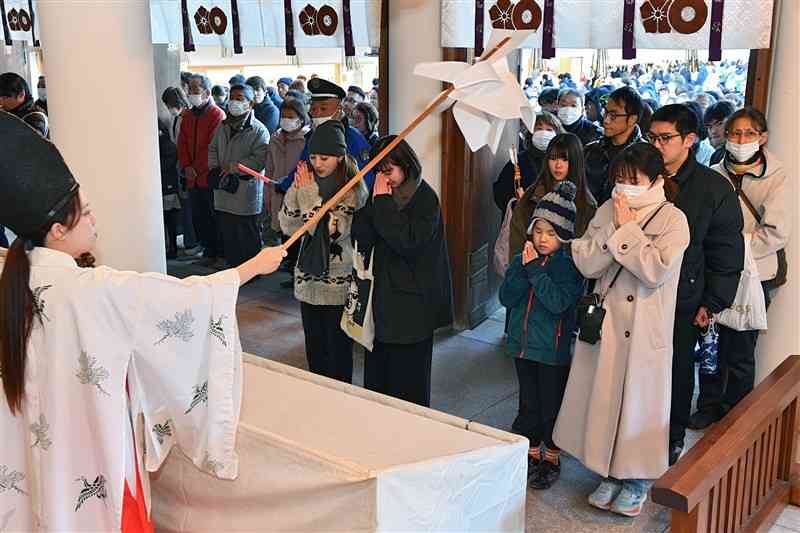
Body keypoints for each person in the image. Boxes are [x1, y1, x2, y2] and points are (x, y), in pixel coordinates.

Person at [0, 110, 286, 532]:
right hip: (93, 452)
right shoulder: (89, 289)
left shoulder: (17, 281)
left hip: (37, 450)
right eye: (87, 212)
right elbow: (181, 300)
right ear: (59, 230)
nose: (95, 220)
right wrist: (253, 268)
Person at [554, 143, 690, 517]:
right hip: (608, 324)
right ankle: (609, 471)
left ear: (656, 180)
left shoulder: (673, 219)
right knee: (606, 397)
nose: (624, 187)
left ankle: (638, 479)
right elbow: (585, 260)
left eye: (634, 180)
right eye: (619, 178)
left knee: (639, 405)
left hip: (646, 330)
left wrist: (626, 229)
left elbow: (655, 271)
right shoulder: (607, 208)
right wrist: (612, 230)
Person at [647, 104, 744, 464]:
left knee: (675, 372)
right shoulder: (641, 175)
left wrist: (712, 302)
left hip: (683, 298)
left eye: (665, 138)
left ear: (689, 139)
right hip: (640, 293)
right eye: (652, 137)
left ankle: (670, 438)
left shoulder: (712, 187)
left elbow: (725, 251)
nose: (656, 145)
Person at [691, 107, 789, 430]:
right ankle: (707, 405)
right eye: (735, 133)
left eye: (749, 133)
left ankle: (735, 414)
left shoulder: (776, 176)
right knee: (710, 339)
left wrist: (736, 249)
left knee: (741, 348)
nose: (741, 139)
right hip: (716, 272)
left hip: (753, 273)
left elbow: (776, 231)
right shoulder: (714, 171)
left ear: (762, 137)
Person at [351, 137, 453, 407]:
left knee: (408, 382)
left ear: (406, 166)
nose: (385, 178)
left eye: (389, 171)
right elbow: (361, 236)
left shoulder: (424, 198)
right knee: (378, 379)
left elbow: (407, 242)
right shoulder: (381, 196)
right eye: (379, 171)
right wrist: (372, 205)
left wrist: (382, 205)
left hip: (412, 305)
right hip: (382, 299)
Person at [500, 181, 585, 491]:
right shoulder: (522, 261)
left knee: (551, 406)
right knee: (528, 404)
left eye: (551, 233)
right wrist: (523, 270)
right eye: (538, 231)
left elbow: (559, 303)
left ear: (563, 236)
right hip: (522, 348)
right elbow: (507, 299)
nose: (543, 239)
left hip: (552, 351)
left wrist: (536, 271)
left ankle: (551, 458)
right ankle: (531, 453)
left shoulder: (569, 266)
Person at [279, 121, 368, 383]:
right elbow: (288, 225)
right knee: (314, 352)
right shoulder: (307, 182)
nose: (317, 163)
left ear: (340, 157)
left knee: (337, 354)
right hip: (308, 280)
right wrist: (295, 193)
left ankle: (340, 403)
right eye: (314, 156)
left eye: (325, 158)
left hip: (337, 285)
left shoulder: (352, 188)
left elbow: (333, 230)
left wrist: (307, 196)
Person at [209, 84, 270, 269]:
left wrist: (234, 167)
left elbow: (259, 160)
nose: (234, 101)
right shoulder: (223, 125)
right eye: (232, 97)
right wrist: (215, 168)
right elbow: (213, 148)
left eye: (240, 98)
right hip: (223, 185)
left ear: (250, 103)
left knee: (246, 231)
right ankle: (234, 265)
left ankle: (252, 269)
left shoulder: (259, 130)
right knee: (228, 229)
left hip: (245, 189)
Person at [276, 77, 374, 193]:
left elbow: (365, 182)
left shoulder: (353, 139)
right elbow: (304, 167)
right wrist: (285, 185)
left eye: (323, 109)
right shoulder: (313, 136)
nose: (317, 114)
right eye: (313, 109)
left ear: (338, 110)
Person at [509, 133, 597, 260]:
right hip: (528, 269)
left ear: (576, 161)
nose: (558, 165)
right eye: (553, 158)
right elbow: (517, 243)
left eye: (564, 159)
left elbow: (587, 254)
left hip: (568, 276)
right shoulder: (532, 196)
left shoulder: (587, 204)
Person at [178, 74, 226, 264]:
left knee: (213, 216)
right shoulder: (188, 115)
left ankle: (219, 253)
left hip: (207, 176)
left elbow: (211, 147)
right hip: (192, 177)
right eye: (189, 91)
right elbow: (182, 143)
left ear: (206, 93)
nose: (191, 94)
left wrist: (195, 168)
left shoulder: (216, 115)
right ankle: (208, 252)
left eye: (195, 91)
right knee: (199, 217)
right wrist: (186, 166)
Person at [265, 97, 310, 264]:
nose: (286, 120)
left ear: (301, 118)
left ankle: (297, 270)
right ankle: (291, 267)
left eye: (291, 117)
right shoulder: (275, 138)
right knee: (285, 231)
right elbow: (269, 169)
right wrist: (268, 195)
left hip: (298, 194)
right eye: (283, 116)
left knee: (299, 234)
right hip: (278, 193)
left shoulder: (306, 139)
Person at [493, 112, 564, 213]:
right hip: (522, 222)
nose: (544, 133)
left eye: (549, 130)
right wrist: (518, 204)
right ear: (531, 133)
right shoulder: (518, 161)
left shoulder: (563, 162)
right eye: (539, 129)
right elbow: (500, 192)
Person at [584, 86, 644, 205]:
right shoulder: (591, 150)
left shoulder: (644, 156)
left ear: (632, 119)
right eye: (605, 112)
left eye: (613, 115)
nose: (606, 120)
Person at [161, 87, 198, 252]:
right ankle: (190, 240)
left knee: (189, 206)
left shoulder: (188, 117)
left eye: (170, 104)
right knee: (184, 206)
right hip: (179, 166)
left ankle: (193, 241)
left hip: (187, 166)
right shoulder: (176, 118)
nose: (169, 108)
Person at [159, 121, 182, 259]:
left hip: (168, 187)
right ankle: (170, 247)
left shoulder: (167, 146)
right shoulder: (167, 145)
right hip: (166, 186)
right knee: (168, 220)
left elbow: (165, 165)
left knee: (170, 219)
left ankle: (172, 248)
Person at [0, 72, 48, 137]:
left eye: (4, 98)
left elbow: (26, 145)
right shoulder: (11, 111)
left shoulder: (36, 118)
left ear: (21, 95)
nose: (1, 102)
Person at [702, 100, 737, 167]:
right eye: (710, 126)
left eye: (719, 124)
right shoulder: (717, 154)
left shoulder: (736, 154)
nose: (713, 131)